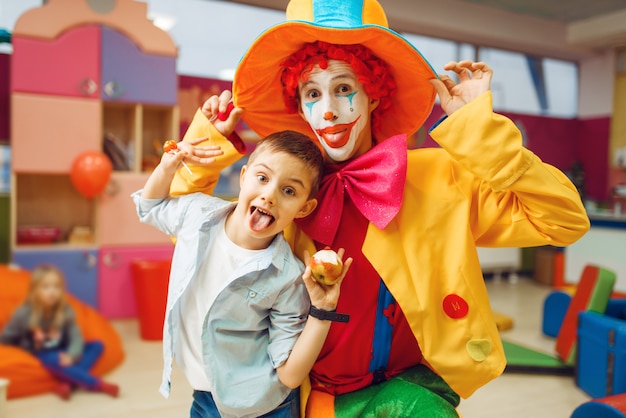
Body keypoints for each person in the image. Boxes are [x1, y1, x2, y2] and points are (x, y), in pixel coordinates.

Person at [171, 0, 591, 416]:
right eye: (313, 93)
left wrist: (477, 132)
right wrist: (208, 143)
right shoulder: (286, 193)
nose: (330, 109)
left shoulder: (440, 176)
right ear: (300, 109)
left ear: (372, 95)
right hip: (307, 397)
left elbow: (564, 220)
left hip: (410, 388)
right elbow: (188, 229)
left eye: (343, 88)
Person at [132, 130, 352, 418]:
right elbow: (149, 207)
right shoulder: (196, 214)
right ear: (244, 176)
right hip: (205, 397)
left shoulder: (288, 278)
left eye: (289, 191)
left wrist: (323, 311)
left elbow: (288, 375)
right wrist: (168, 164)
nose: (269, 195)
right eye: (262, 178)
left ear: (304, 208)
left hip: (263, 407)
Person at [0, 264, 119, 400]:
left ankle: (66, 384)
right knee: (53, 358)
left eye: (56, 287)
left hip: (63, 348)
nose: (52, 292)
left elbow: (76, 337)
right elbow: (8, 336)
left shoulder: (66, 310)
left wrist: (72, 355)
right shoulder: (24, 313)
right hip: (41, 352)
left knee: (97, 345)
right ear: (34, 290)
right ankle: (96, 384)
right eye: (45, 287)